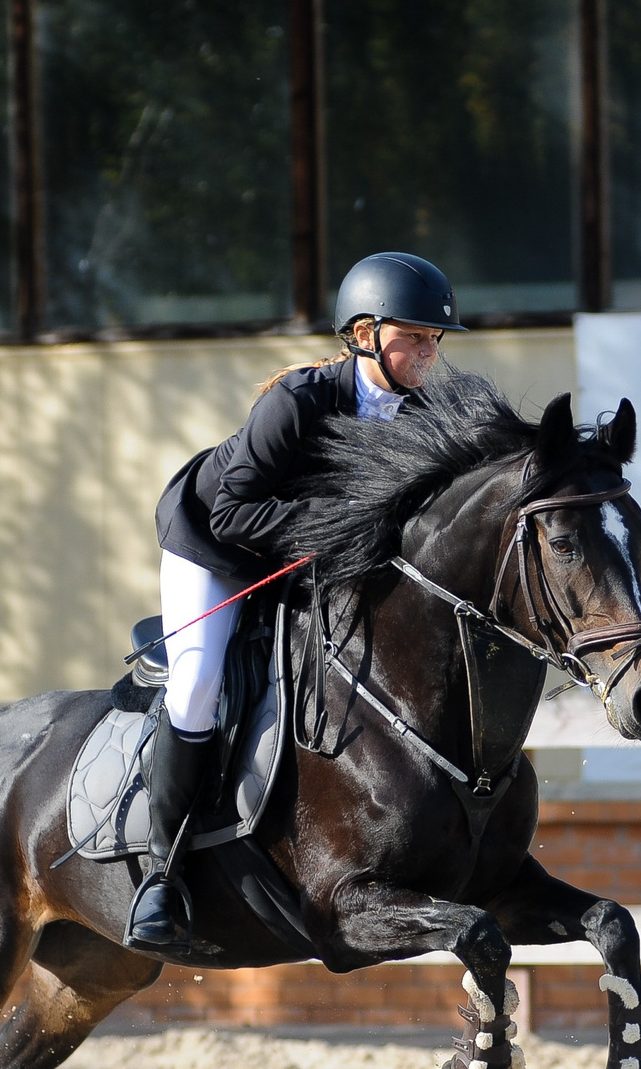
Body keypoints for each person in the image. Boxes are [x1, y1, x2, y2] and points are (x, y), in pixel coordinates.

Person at [129, 251, 467, 955]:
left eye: (435, 341)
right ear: (365, 333)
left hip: (309, 558)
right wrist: (334, 532)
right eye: (415, 338)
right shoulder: (298, 402)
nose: (428, 354)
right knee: (197, 685)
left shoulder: (427, 415)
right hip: (216, 548)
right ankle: (161, 876)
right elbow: (234, 512)